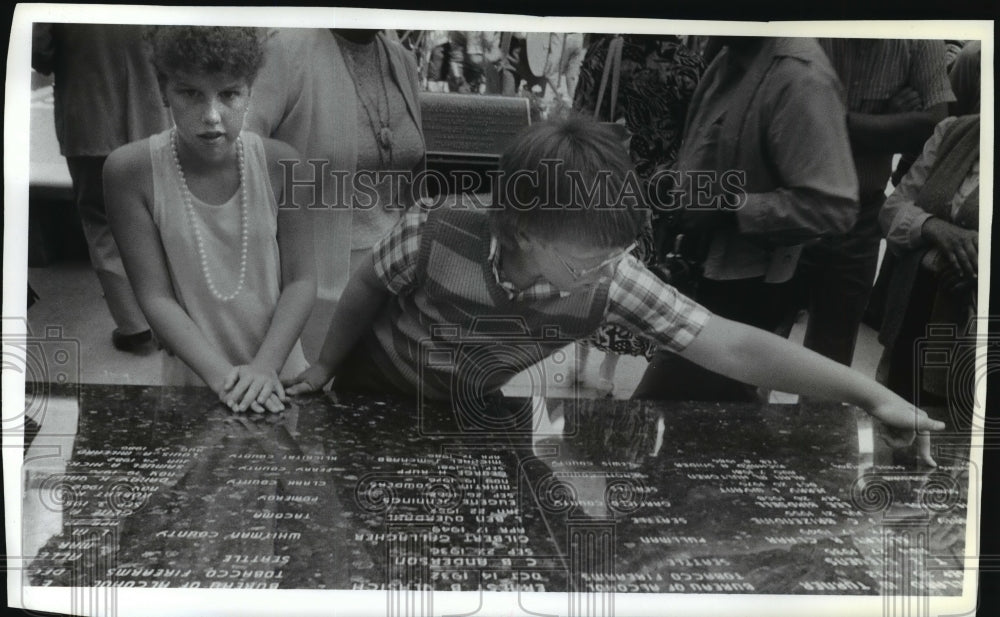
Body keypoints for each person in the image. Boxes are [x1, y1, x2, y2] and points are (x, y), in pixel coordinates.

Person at [285, 116, 942, 465]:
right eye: (587, 260)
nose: (605, 271)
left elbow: (731, 344)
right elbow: (368, 285)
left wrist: (873, 395)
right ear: (521, 230)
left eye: (616, 256)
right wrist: (323, 365)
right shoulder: (433, 230)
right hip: (371, 388)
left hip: (468, 408)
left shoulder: (608, 275)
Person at [632, 37, 859, 401]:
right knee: (707, 416)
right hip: (700, 282)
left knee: (659, 409)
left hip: (744, 293)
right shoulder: (727, 57)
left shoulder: (800, 77)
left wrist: (725, 208)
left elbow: (833, 208)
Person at [104, 26, 315, 413]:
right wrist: (227, 382)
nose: (212, 115)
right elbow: (155, 296)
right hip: (198, 381)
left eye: (229, 94)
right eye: (190, 93)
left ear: (250, 91)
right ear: (164, 90)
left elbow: (301, 281)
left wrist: (263, 369)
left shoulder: (284, 164)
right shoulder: (130, 171)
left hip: (280, 377)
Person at [801, 39, 954, 366]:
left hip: (860, 214)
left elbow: (933, 126)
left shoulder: (920, 40)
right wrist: (887, 121)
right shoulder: (812, 31)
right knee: (760, 340)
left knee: (830, 359)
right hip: (793, 206)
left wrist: (832, 120)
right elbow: (790, 117)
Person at [244, 28, 426, 304]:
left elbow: (412, 186)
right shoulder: (285, 51)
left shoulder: (403, 62)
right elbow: (241, 157)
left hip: (396, 287)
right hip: (315, 292)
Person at [572, 33, 705, 395]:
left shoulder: (604, 51)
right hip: (656, 194)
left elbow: (578, 116)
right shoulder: (689, 66)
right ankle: (608, 369)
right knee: (633, 277)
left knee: (592, 268)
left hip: (604, 182)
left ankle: (579, 359)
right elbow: (697, 135)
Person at [31, 24, 171, 353]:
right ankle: (168, 320)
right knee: (156, 216)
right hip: (149, 117)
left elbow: (40, 52)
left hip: (89, 119)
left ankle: (134, 326)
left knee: (101, 221)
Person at [876, 114, 979, 410]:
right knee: (898, 418)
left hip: (972, 337)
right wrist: (932, 227)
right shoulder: (954, 131)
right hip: (914, 310)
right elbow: (891, 211)